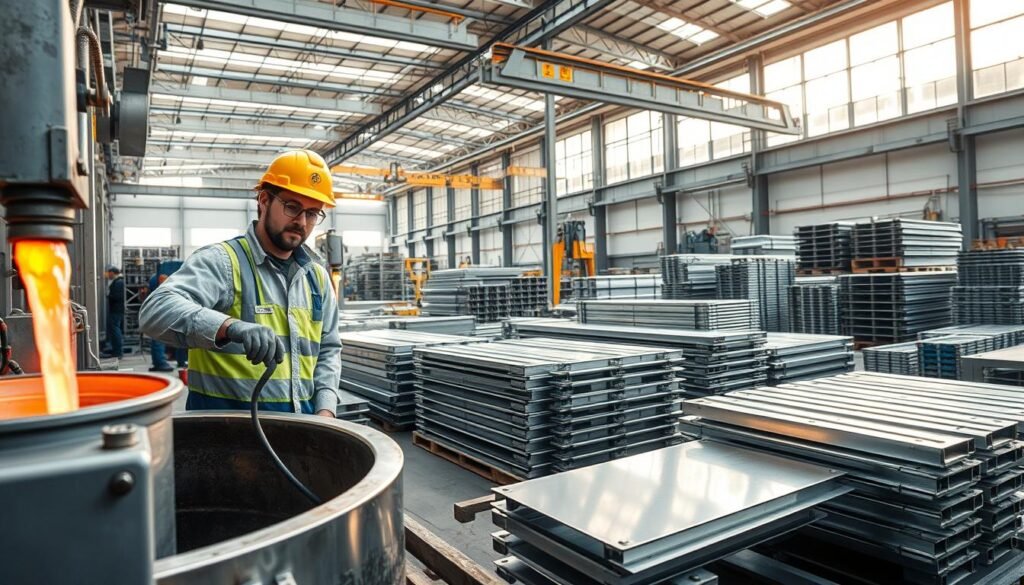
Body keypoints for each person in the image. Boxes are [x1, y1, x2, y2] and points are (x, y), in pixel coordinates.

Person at [139, 149, 341, 417]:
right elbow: (155, 311)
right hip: (227, 441)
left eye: (313, 213)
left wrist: (326, 411)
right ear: (264, 200)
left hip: (299, 435)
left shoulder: (317, 277)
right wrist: (228, 327)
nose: (302, 222)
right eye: (292, 207)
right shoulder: (223, 262)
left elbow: (328, 349)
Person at [147, 267, 187, 372]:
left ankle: (175, 361)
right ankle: (160, 362)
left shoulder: (155, 278)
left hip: (160, 309)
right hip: (162, 310)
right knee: (159, 338)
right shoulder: (162, 278)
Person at [101, 265, 125, 359]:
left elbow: (118, 297)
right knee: (115, 330)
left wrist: (108, 295)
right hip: (117, 310)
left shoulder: (118, 282)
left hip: (116, 310)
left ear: (112, 272)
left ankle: (118, 352)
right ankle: (115, 350)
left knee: (115, 331)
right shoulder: (118, 281)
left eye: (108, 273)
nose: (107, 275)